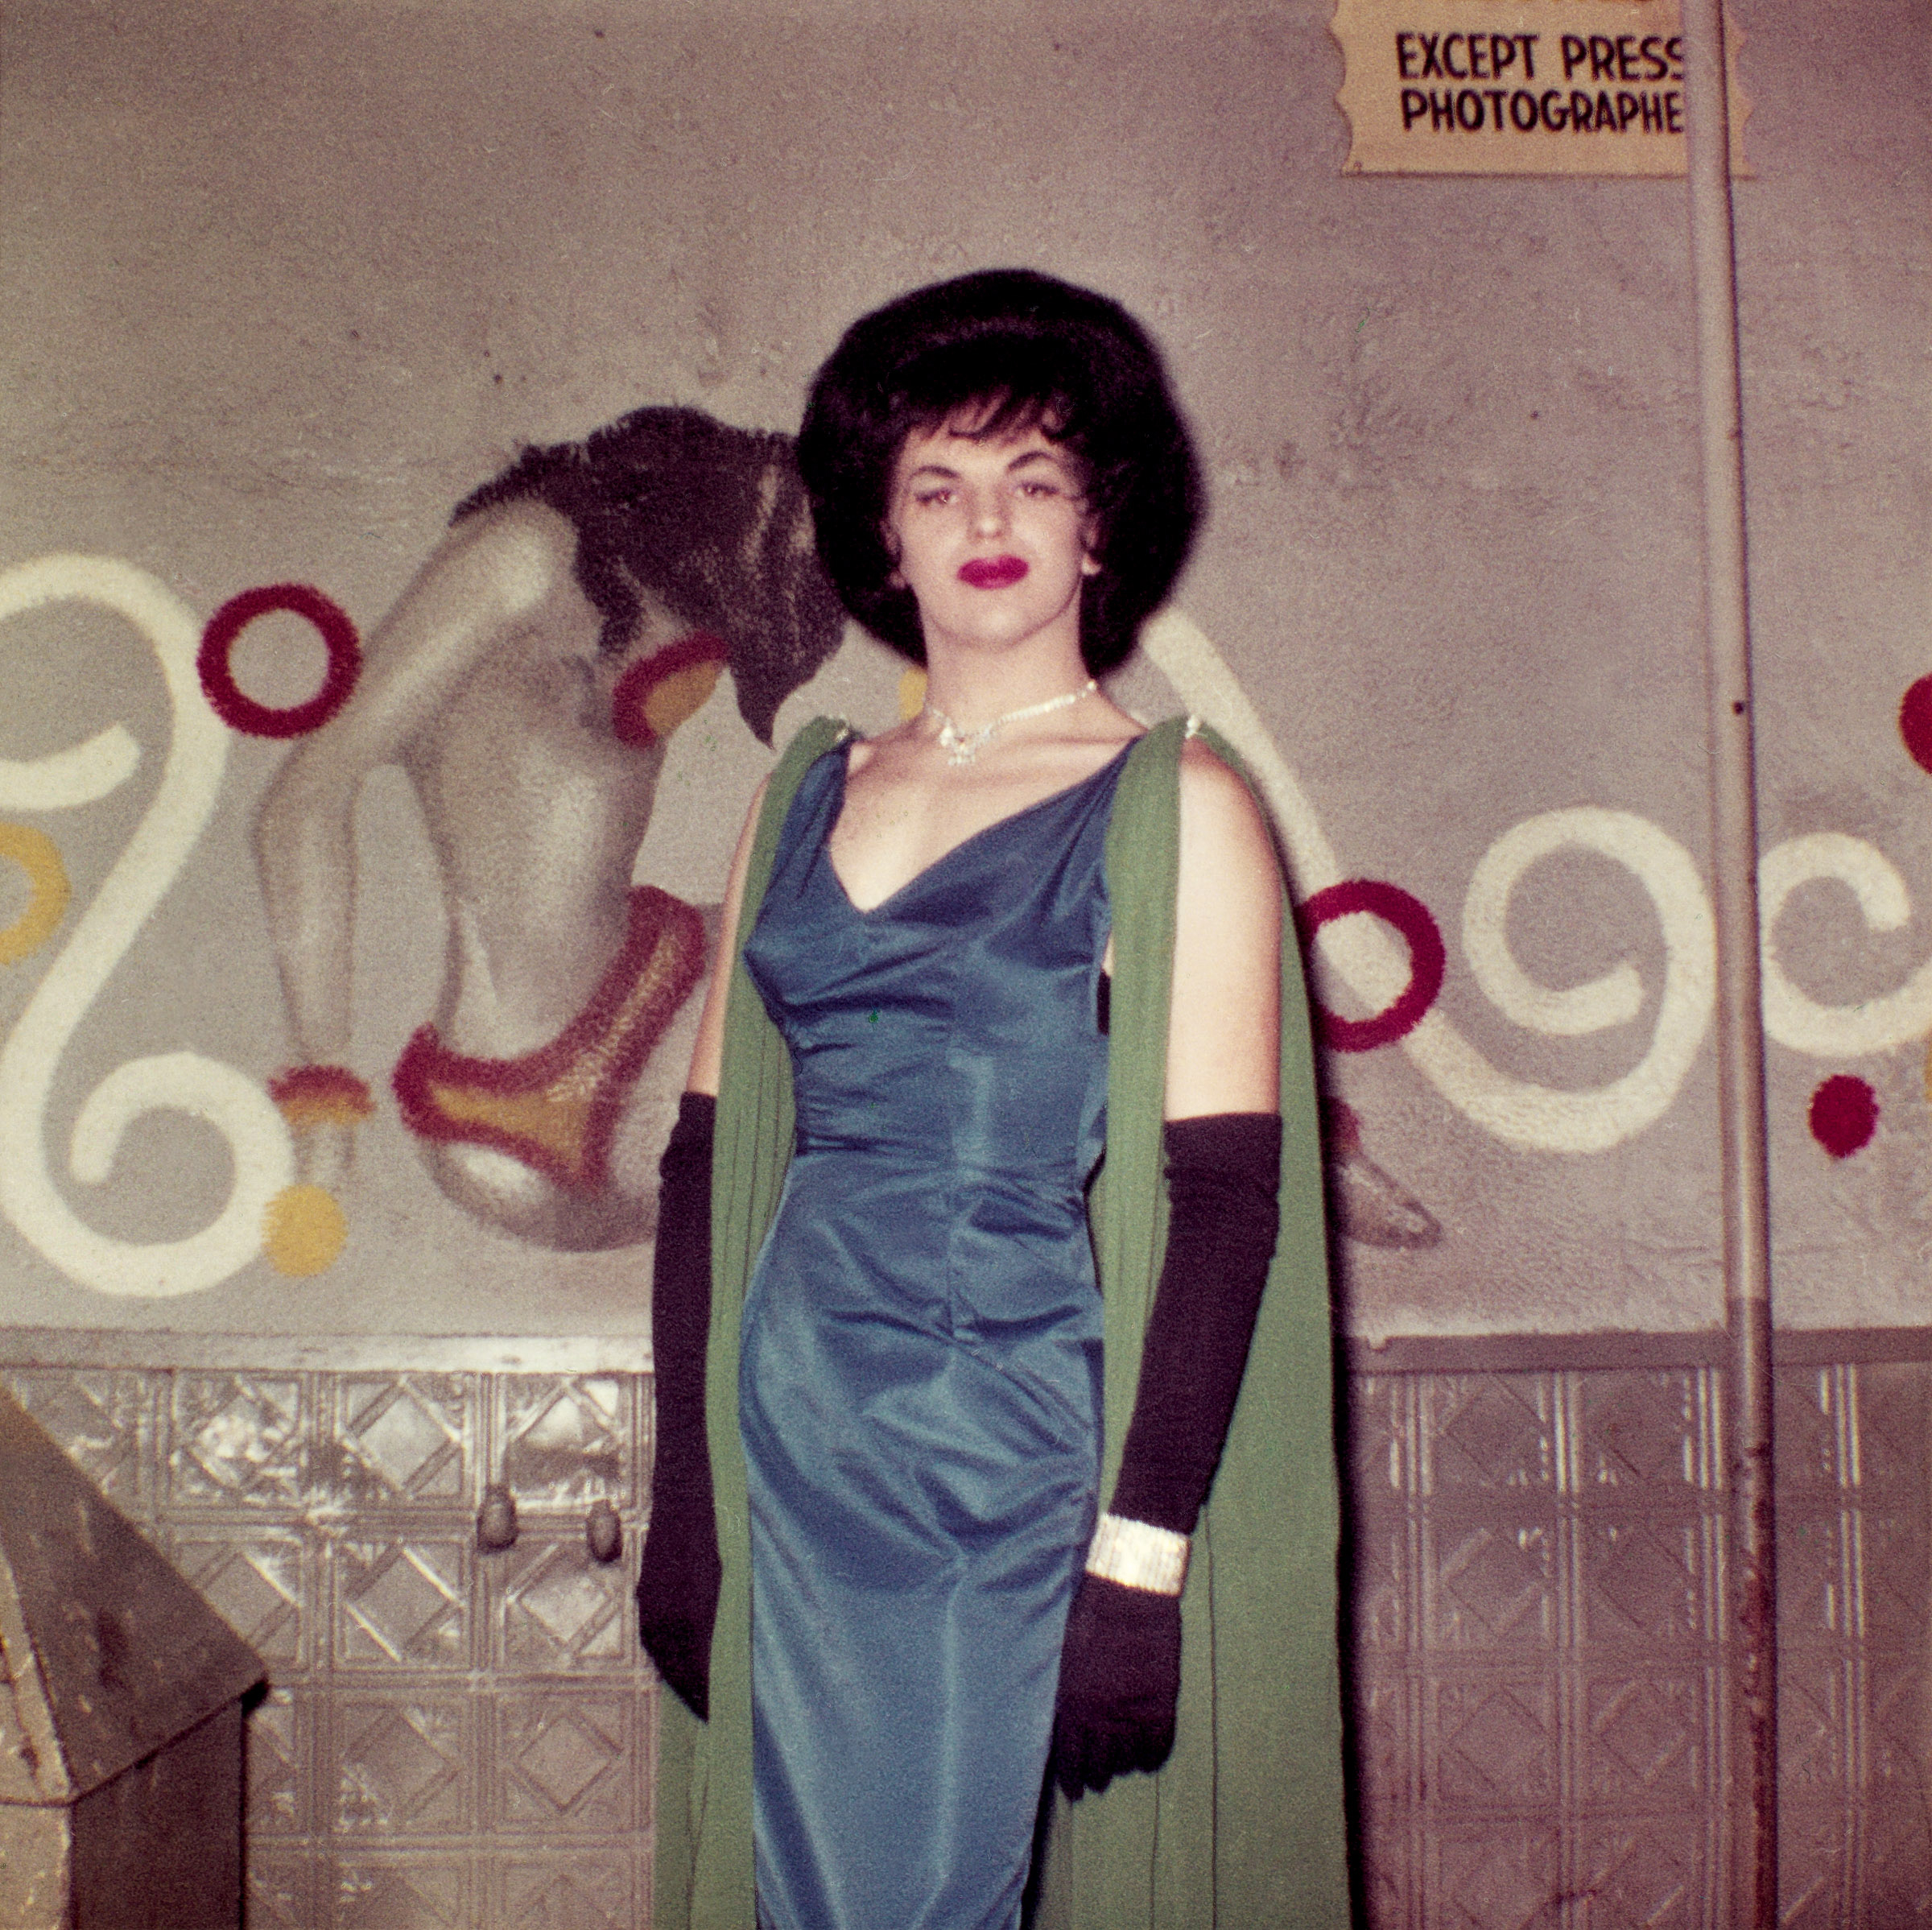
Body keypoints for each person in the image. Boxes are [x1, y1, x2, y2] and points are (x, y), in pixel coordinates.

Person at [639, 271, 1348, 1928]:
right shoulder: (805, 786)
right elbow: (698, 1163)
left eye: (1038, 478)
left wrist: (1144, 1555)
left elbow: (1227, 1203)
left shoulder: (1182, 801)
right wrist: (686, 1495)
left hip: (1001, 1427)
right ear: (882, 536)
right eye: (940, 484)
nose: (990, 521)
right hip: (789, 1414)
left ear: (1102, 525)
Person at [254, 408, 844, 1252]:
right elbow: (302, 802)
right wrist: (321, 1097)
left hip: (656, 985)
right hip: (500, 1099)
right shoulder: (523, 557)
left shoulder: (655, 583)